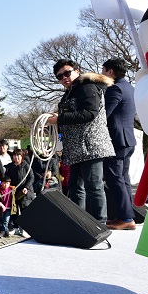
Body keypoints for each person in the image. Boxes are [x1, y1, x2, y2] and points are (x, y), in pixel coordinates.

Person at [47, 60, 115, 222]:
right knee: (75, 187)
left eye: (67, 73)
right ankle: (80, 222)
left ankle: (99, 223)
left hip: (91, 146)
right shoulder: (70, 92)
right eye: (59, 76)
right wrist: (53, 125)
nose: (64, 78)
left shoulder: (88, 87)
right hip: (76, 148)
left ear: (77, 71)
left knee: (94, 185)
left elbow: (89, 113)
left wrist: (60, 118)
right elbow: (71, 119)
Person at [102, 58, 137, 230]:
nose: (102, 73)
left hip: (117, 140)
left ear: (110, 72)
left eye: (103, 70)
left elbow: (104, 115)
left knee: (115, 178)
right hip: (127, 139)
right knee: (123, 179)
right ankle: (126, 216)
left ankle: (126, 218)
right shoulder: (130, 87)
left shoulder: (115, 88)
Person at [5, 149, 34, 236]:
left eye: (18, 155)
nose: (16, 157)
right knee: (15, 210)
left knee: (24, 210)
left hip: (25, 192)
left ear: (22, 156)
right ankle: (16, 227)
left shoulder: (26, 165)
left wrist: (26, 187)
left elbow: (31, 177)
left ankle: (25, 229)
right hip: (14, 192)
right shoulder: (9, 167)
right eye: (15, 155)